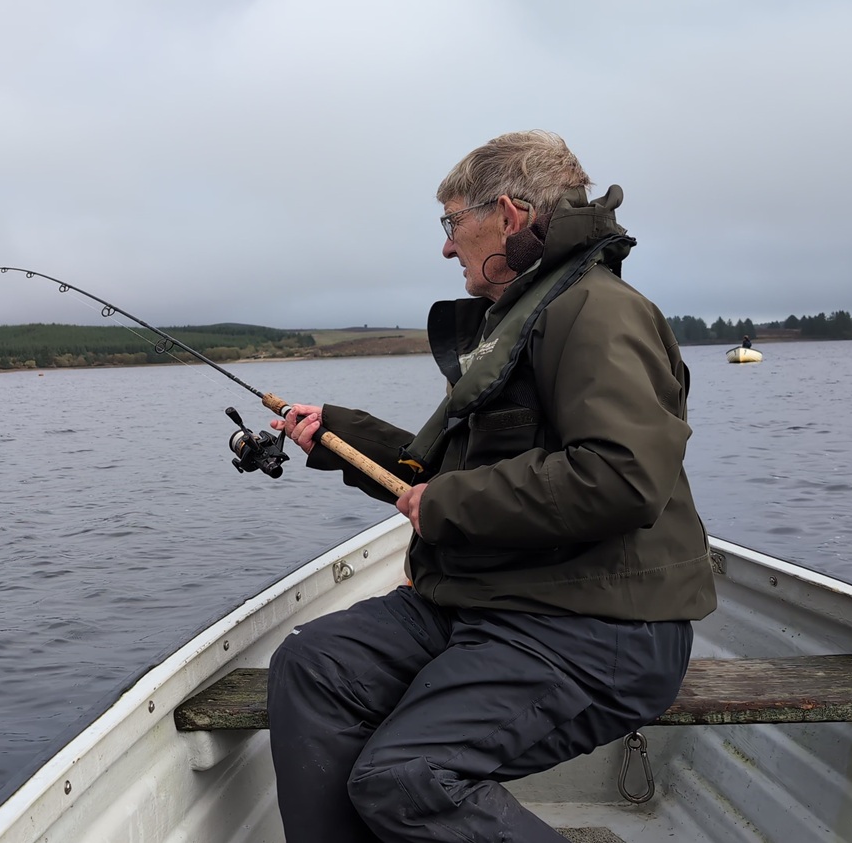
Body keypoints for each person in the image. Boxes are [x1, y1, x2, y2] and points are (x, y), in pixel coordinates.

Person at [263, 130, 717, 842]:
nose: (447, 247)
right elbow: (458, 479)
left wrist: (449, 503)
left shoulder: (596, 310)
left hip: (599, 624)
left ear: (506, 215)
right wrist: (341, 434)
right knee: (312, 665)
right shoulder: (522, 316)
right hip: (496, 600)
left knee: (404, 776)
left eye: (453, 223)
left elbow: (622, 476)